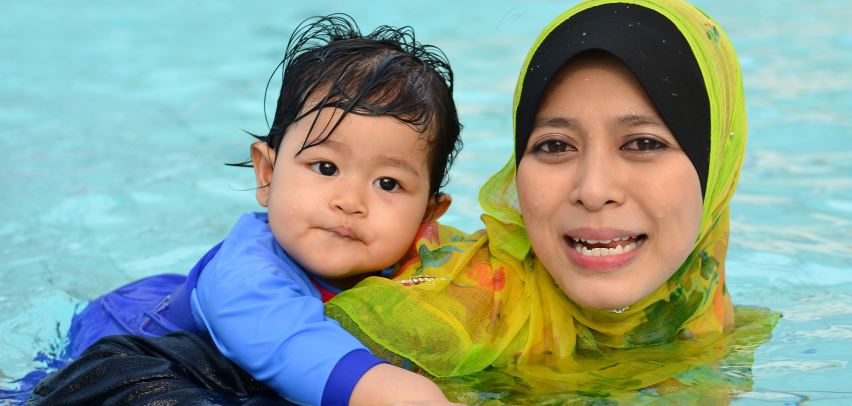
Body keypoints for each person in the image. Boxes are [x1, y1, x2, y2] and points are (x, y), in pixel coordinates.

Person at [29, 0, 778, 403]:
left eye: (644, 142)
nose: (594, 188)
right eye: (554, 145)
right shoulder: (274, 275)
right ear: (267, 171)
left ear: (431, 217)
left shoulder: (703, 319)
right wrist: (378, 385)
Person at [37, 14, 463, 406]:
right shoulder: (244, 281)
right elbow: (310, 356)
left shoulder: (435, 266)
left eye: (388, 183)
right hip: (125, 346)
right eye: (326, 167)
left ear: (429, 216)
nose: (350, 202)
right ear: (267, 174)